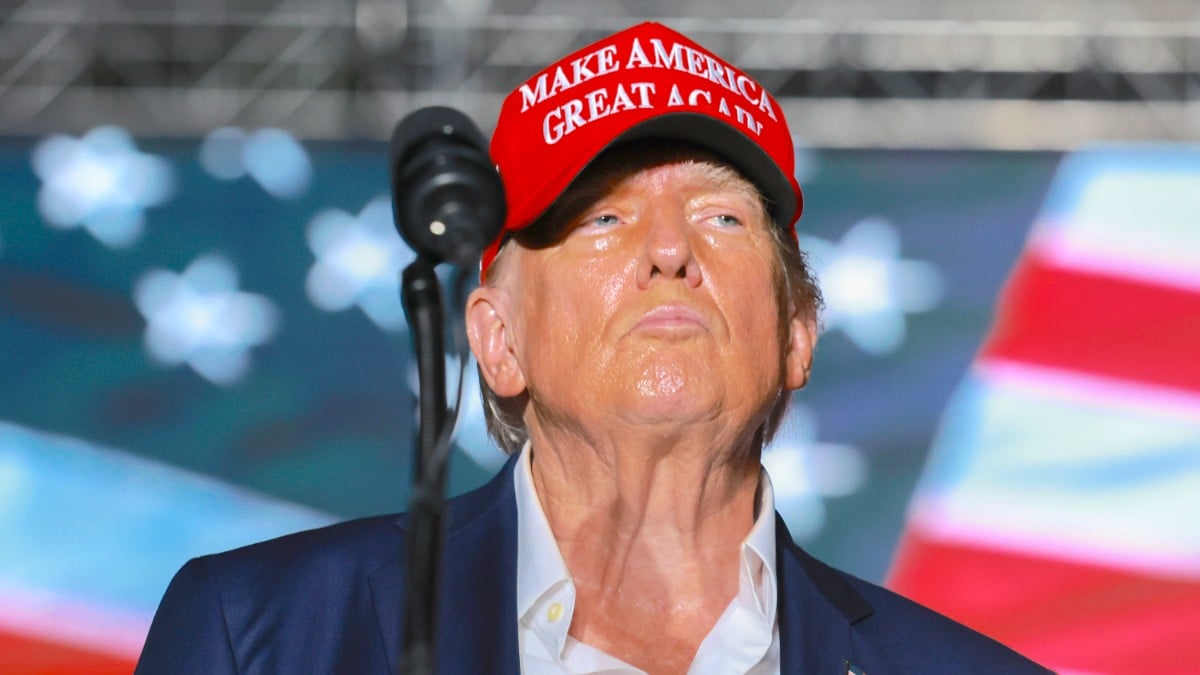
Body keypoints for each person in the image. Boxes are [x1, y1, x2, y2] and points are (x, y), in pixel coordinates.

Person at [136, 22, 1050, 674]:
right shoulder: (260, 636)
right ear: (498, 340)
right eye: (602, 215)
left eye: (722, 214)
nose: (668, 250)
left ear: (797, 337)